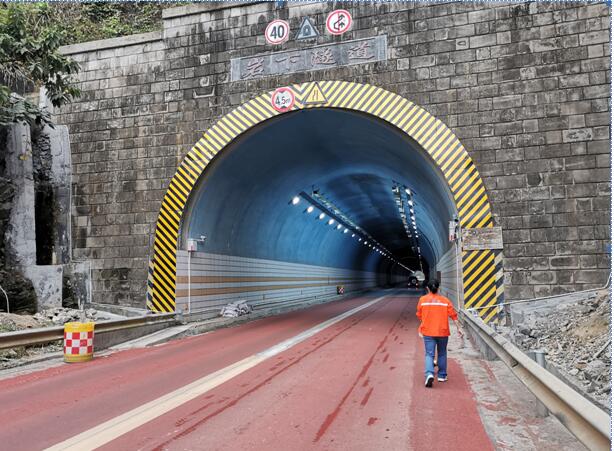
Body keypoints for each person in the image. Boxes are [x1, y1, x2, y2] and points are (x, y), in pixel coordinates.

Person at [416, 279, 463, 388]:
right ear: (438, 288)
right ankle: (442, 375)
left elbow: (419, 314)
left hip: (428, 331)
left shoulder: (423, 300)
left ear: (427, 288)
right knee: (442, 353)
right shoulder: (445, 301)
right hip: (443, 332)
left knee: (429, 354)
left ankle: (429, 374)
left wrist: (425, 322)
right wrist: (459, 328)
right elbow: (453, 316)